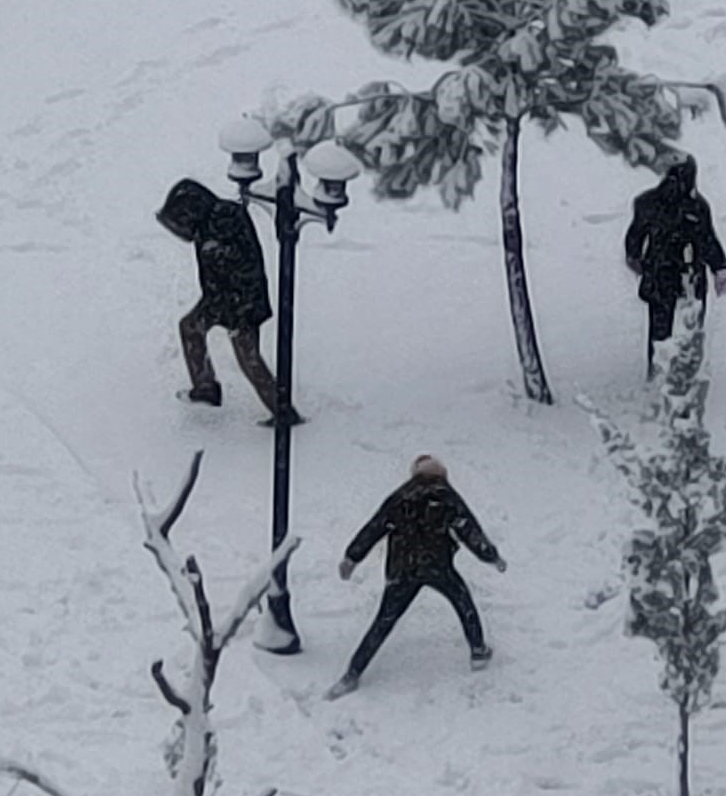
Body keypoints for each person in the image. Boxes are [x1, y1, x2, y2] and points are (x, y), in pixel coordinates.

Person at [326, 455, 506, 700]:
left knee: (383, 621)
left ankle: (352, 673)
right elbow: (468, 529)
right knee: (463, 603)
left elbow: (375, 526)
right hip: (437, 565)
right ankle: (478, 651)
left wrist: (352, 557)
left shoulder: (402, 496)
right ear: (441, 474)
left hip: (403, 567)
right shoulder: (446, 495)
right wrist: (491, 556)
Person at [156, 177, 298, 422]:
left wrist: (218, 252)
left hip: (241, 303)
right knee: (191, 327)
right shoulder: (208, 222)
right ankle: (205, 387)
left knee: (248, 357)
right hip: (219, 298)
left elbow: (233, 260)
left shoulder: (223, 219)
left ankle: (283, 411)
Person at [624, 155, 726, 377]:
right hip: (684, 274)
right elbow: (708, 240)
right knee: (685, 327)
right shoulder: (695, 207)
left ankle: (660, 370)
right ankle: (679, 373)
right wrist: (720, 268)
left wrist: (635, 259)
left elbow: (634, 238)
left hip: (665, 274)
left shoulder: (649, 203)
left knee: (663, 328)